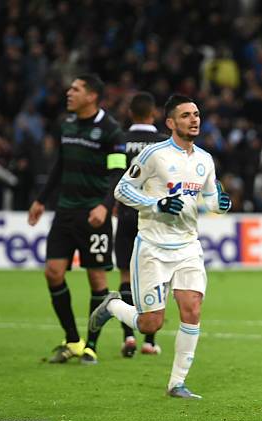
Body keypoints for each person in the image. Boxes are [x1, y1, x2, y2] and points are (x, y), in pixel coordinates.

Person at [89, 94, 232, 398]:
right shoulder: (154, 155)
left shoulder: (205, 160)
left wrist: (220, 204)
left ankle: (176, 383)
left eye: (196, 114)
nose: (194, 120)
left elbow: (210, 199)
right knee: (150, 323)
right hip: (153, 247)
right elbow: (122, 189)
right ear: (169, 123)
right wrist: (157, 203)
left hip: (188, 247)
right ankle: (112, 306)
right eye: (185, 116)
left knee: (192, 308)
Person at [28, 73, 126, 365]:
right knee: (53, 273)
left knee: (97, 278)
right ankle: (73, 339)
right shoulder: (66, 124)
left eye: (76, 89)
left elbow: (118, 173)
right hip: (65, 212)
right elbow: (61, 164)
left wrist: (106, 207)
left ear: (92, 96)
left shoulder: (110, 130)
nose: (69, 92)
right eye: (69, 88)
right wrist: (41, 199)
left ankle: (91, 345)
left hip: (94, 214)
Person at [116, 92, 168, 358]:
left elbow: (115, 177)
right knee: (156, 276)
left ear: (130, 113)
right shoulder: (163, 143)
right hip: (154, 220)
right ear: (154, 113)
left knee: (126, 275)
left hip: (125, 215)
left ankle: (128, 337)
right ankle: (149, 340)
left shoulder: (120, 141)